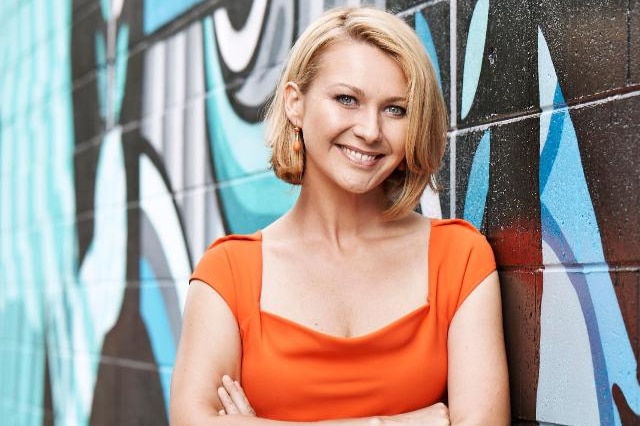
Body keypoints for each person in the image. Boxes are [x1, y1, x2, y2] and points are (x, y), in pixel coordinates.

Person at [170, 6, 509, 426]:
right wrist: (394, 423)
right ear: (295, 103)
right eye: (347, 99)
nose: (370, 130)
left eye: (395, 110)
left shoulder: (459, 259)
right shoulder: (229, 274)